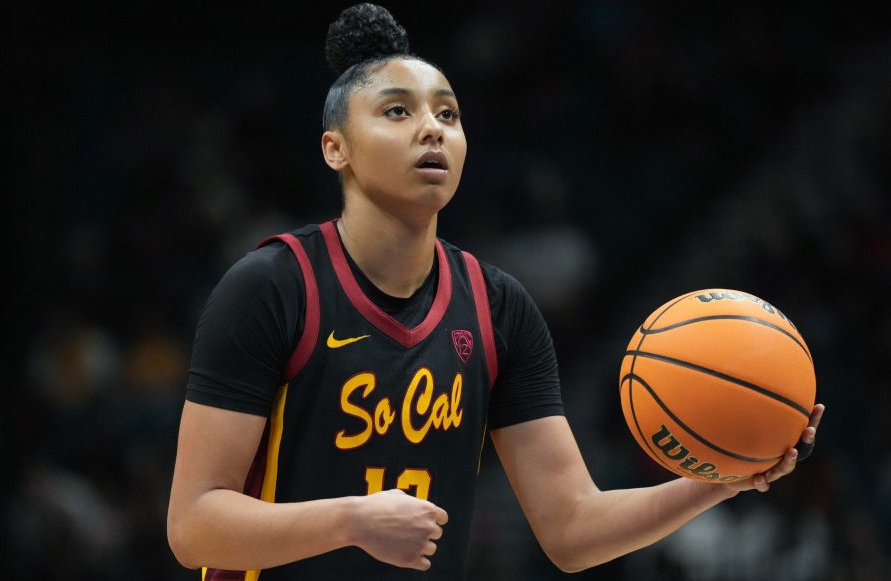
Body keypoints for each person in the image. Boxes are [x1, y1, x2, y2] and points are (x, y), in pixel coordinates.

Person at [166, 4, 826, 580]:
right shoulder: (270, 288)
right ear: (335, 149)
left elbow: (571, 530)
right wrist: (352, 520)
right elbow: (193, 526)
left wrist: (721, 479)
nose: (432, 128)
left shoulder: (499, 307)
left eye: (447, 113)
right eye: (397, 111)